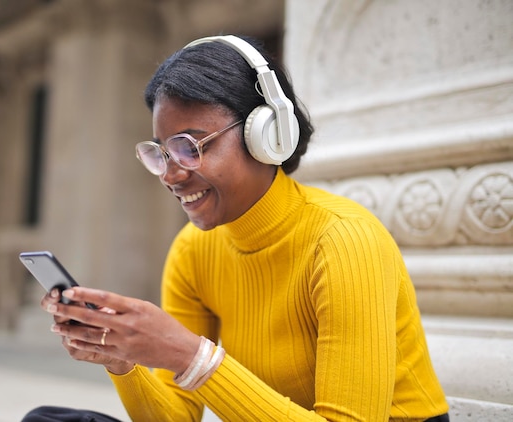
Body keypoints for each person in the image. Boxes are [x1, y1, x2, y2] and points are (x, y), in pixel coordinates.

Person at [22, 35, 449, 421]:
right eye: (161, 153)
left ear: (267, 135)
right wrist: (121, 359)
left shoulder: (343, 240)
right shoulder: (193, 249)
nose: (171, 175)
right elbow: (176, 418)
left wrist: (192, 357)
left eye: (189, 148)